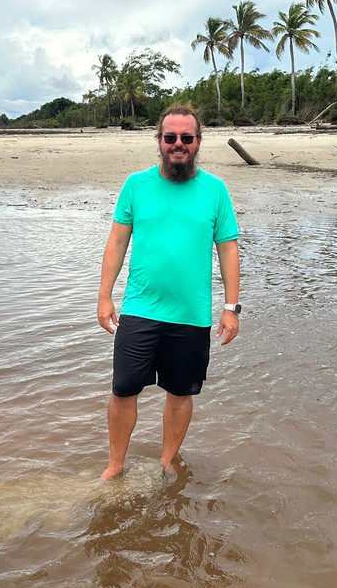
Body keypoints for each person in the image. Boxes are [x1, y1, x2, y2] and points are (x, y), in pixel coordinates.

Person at [96, 104, 241, 480]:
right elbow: (116, 242)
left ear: (198, 142)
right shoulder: (136, 186)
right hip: (140, 308)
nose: (178, 144)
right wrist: (104, 296)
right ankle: (116, 465)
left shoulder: (215, 190)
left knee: (181, 393)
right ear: (159, 141)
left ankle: (166, 461)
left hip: (191, 314)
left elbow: (228, 248)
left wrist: (231, 307)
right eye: (170, 137)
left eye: (186, 138)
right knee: (123, 389)